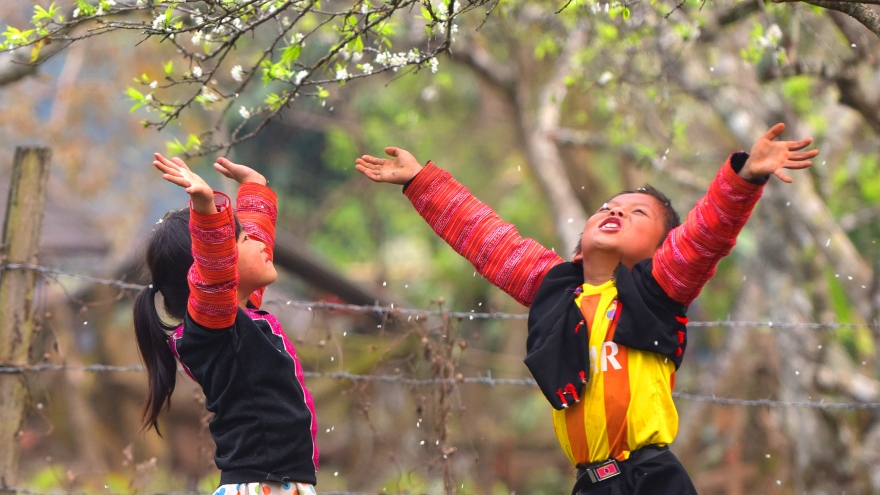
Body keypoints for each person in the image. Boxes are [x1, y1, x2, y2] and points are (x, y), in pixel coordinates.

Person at [355, 123, 818, 494]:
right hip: (590, 484)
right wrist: (421, 181)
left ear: (660, 249)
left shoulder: (659, 289)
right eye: (608, 207)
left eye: (639, 214)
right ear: (581, 243)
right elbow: (486, 238)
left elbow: (705, 235)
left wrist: (744, 178)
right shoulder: (553, 288)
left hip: (652, 479)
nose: (617, 212)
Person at [133, 154, 318, 495]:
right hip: (261, 486)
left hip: (281, 484)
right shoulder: (216, 330)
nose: (261, 244)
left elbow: (245, 267)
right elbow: (219, 272)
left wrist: (254, 188)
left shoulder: (240, 320)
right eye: (246, 240)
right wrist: (207, 210)